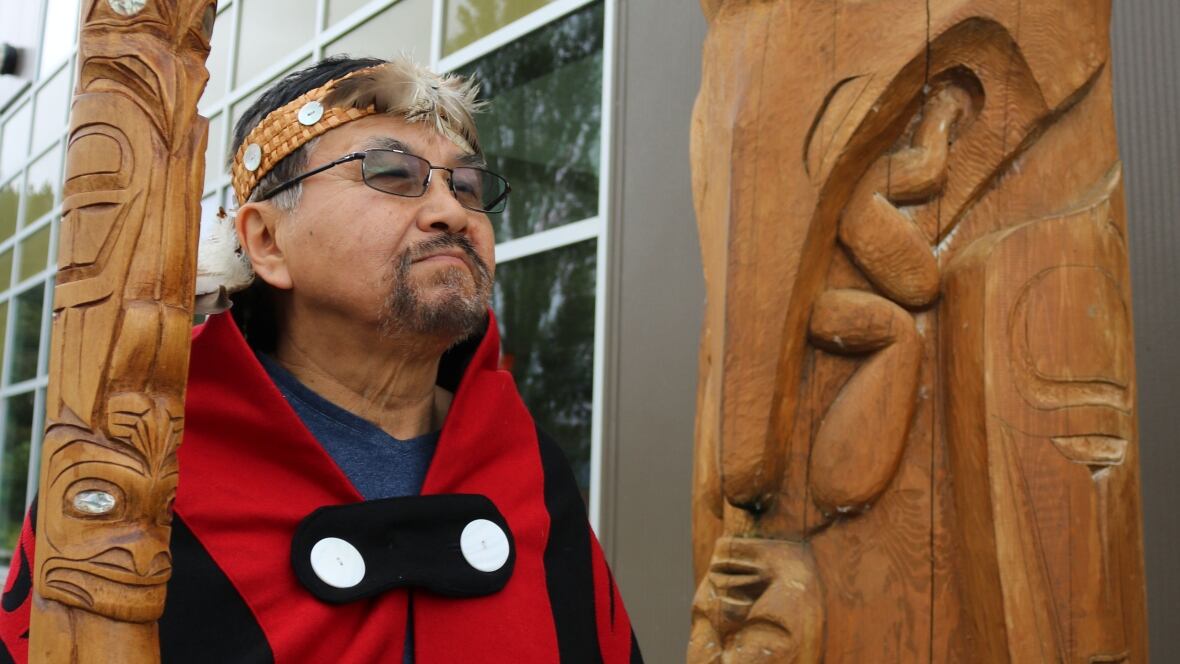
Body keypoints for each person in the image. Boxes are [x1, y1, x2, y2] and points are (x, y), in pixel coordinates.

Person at [0, 55, 640, 663]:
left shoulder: (527, 462)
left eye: (467, 185)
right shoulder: (140, 455)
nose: (452, 212)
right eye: (391, 173)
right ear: (267, 241)